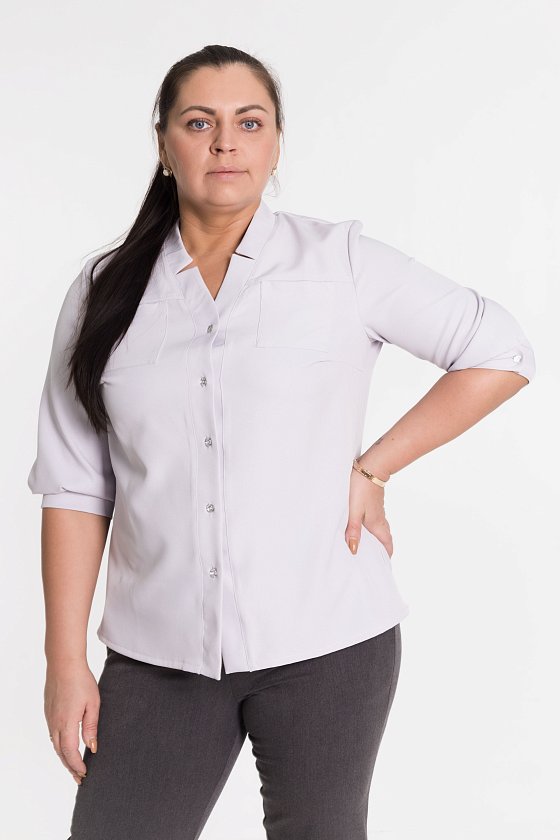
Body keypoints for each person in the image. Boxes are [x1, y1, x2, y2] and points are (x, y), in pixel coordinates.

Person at [27, 44, 536, 840]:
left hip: (327, 644)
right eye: (200, 123)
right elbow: (74, 485)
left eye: (249, 122)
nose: (226, 142)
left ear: (275, 142)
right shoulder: (102, 292)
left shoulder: (341, 263)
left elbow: (501, 350)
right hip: (160, 656)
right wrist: (64, 663)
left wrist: (376, 465)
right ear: (163, 142)